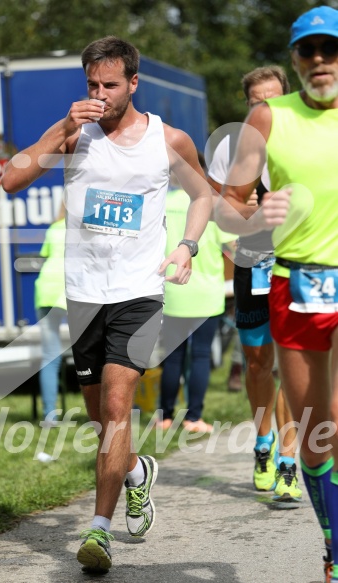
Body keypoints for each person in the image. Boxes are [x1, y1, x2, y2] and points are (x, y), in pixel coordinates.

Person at [1, 36, 212, 573]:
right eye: (92, 84)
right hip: (84, 294)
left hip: (140, 291)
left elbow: (204, 194)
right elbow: (10, 179)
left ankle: (98, 532)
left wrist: (186, 246)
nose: (100, 94)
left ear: (133, 83)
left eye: (110, 85)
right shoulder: (77, 135)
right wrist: (63, 126)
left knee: (118, 409)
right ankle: (137, 470)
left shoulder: (169, 139)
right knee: (101, 420)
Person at [214, 7, 338, 582]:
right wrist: (259, 211)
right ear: (294, 59)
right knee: (317, 438)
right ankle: (333, 538)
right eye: (309, 51)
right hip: (297, 282)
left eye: (331, 50)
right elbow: (228, 207)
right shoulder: (267, 119)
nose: (321, 61)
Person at [208, 66, 302, 502]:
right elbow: (215, 204)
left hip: (295, 256)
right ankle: (262, 440)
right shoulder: (231, 146)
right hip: (250, 257)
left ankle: (288, 457)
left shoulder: (301, 136)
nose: (265, 108)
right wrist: (237, 222)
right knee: (258, 360)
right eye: (256, 102)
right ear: (246, 106)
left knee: (288, 360)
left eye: (273, 99)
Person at [157, 152, 235, 433]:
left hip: (173, 288)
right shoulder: (215, 205)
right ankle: (194, 418)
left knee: (173, 355)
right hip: (207, 294)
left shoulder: (163, 202)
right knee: (200, 355)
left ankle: (164, 417)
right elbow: (233, 250)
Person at [34, 217, 66, 426]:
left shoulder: (55, 226)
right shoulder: (89, 225)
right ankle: (103, 416)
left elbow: (46, 256)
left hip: (45, 289)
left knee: (50, 356)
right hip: (72, 287)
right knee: (94, 354)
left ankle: (49, 416)